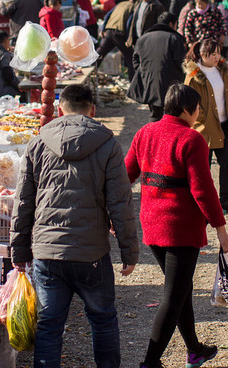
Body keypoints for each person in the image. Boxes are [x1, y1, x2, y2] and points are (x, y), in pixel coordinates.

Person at [10, 84, 138, 368]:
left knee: (49, 325)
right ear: (93, 110)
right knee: (103, 319)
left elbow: (23, 204)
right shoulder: (107, 144)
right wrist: (129, 251)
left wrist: (19, 252)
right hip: (91, 254)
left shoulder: (38, 143)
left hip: (47, 253)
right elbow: (121, 203)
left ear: (59, 110)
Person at [125, 84, 228, 368]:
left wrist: (114, 213)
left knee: (180, 288)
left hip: (152, 225)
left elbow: (125, 175)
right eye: (197, 108)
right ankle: (149, 362)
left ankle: (195, 349)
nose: (199, 113)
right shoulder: (191, 139)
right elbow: (203, 190)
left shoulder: (144, 133)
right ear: (187, 109)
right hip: (179, 229)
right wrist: (220, 227)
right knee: (173, 296)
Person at [183, 39, 228, 214]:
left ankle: (225, 199)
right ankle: (203, 204)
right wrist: (198, 120)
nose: (217, 57)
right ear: (202, 54)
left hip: (224, 125)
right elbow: (186, 102)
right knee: (203, 168)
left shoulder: (222, 70)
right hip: (204, 128)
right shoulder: (193, 75)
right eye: (213, 54)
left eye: (218, 53)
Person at [128, 13, 186, 121]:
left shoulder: (143, 38)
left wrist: (144, 72)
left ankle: (154, 136)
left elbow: (135, 59)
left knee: (155, 115)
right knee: (172, 117)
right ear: (171, 24)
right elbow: (180, 62)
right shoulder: (175, 38)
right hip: (171, 84)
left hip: (149, 82)